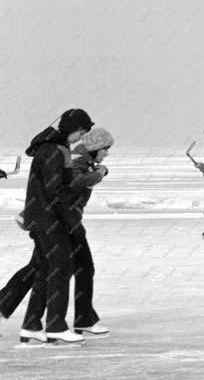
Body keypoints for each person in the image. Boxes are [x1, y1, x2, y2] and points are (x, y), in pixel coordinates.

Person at [1, 128, 113, 341]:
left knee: (41, 268)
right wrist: (99, 174)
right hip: (61, 222)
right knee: (72, 268)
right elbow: (71, 185)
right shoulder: (79, 162)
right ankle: (74, 320)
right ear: (96, 147)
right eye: (106, 148)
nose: (107, 153)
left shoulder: (82, 160)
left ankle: (35, 322)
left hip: (61, 220)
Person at [20, 109, 94, 345]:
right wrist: (71, 216)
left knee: (44, 270)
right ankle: (56, 325)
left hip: (41, 217)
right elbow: (55, 191)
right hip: (49, 219)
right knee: (61, 268)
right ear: (71, 129)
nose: (80, 138)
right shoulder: (53, 151)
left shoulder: (51, 147)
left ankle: (31, 325)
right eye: (80, 132)